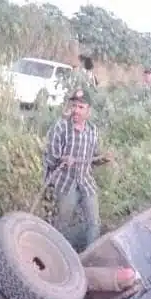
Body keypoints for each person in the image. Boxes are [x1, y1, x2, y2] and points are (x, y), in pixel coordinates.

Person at [42, 87, 113, 252]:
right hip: (65, 182)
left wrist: (104, 159)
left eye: (81, 107)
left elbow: (92, 159)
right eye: (74, 106)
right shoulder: (60, 127)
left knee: (94, 223)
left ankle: (89, 256)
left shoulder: (92, 131)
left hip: (85, 180)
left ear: (88, 111)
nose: (76, 111)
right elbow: (50, 159)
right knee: (63, 225)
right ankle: (58, 255)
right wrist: (63, 159)